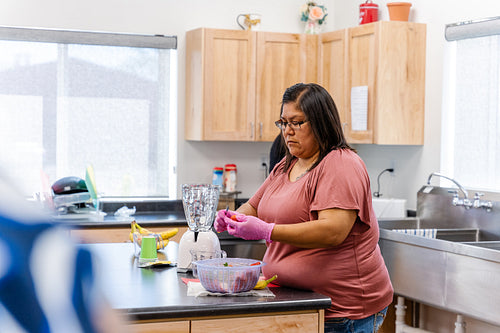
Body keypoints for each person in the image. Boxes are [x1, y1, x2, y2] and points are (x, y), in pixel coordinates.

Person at [215, 83, 393, 333]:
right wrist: (234, 217)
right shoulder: (286, 165)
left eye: (296, 123)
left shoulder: (341, 164)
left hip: (342, 311)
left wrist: (267, 231)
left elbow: (333, 231)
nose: (287, 131)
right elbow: (253, 206)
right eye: (283, 123)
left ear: (320, 122)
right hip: (298, 303)